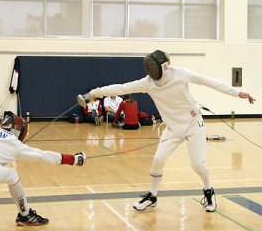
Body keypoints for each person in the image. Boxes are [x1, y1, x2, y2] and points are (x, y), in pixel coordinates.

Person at [78, 50, 255, 213]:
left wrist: (237, 93)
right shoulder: (147, 83)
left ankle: (209, 191)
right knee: (158, 159)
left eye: (154, 67)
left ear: (164, 66)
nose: (151, 71)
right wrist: (93, 94)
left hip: (194, 125)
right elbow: (122, 88)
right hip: (172, 128)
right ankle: (152, 196)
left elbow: (209, 82)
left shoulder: (181, 74)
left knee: (197, 164)